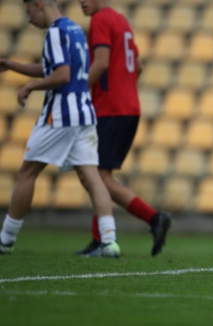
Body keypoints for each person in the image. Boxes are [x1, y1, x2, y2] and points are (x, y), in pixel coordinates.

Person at [0, 0, 120, 257]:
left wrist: (30, 87)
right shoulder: (75, 28)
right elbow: (50, 68)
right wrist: (12, 65)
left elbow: (62, 75)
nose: (29, 18)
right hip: (85, 112)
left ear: (38, 4)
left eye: (28, 11)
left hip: (61, 114)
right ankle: (109, 241)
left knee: (27, 173)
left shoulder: (55, 31)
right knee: (92, 177)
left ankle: (5, 239)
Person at [75, 0, 172, 257]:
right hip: (129, 107)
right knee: (99, 175)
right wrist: (124, 88)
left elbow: (102, 62)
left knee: (98, 177)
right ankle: (104, 237)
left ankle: (148, 220)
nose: (81, 2)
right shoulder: (120, 20)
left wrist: (77, 92)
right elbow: (137, 66)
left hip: (110, 109)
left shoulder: (100, 20)